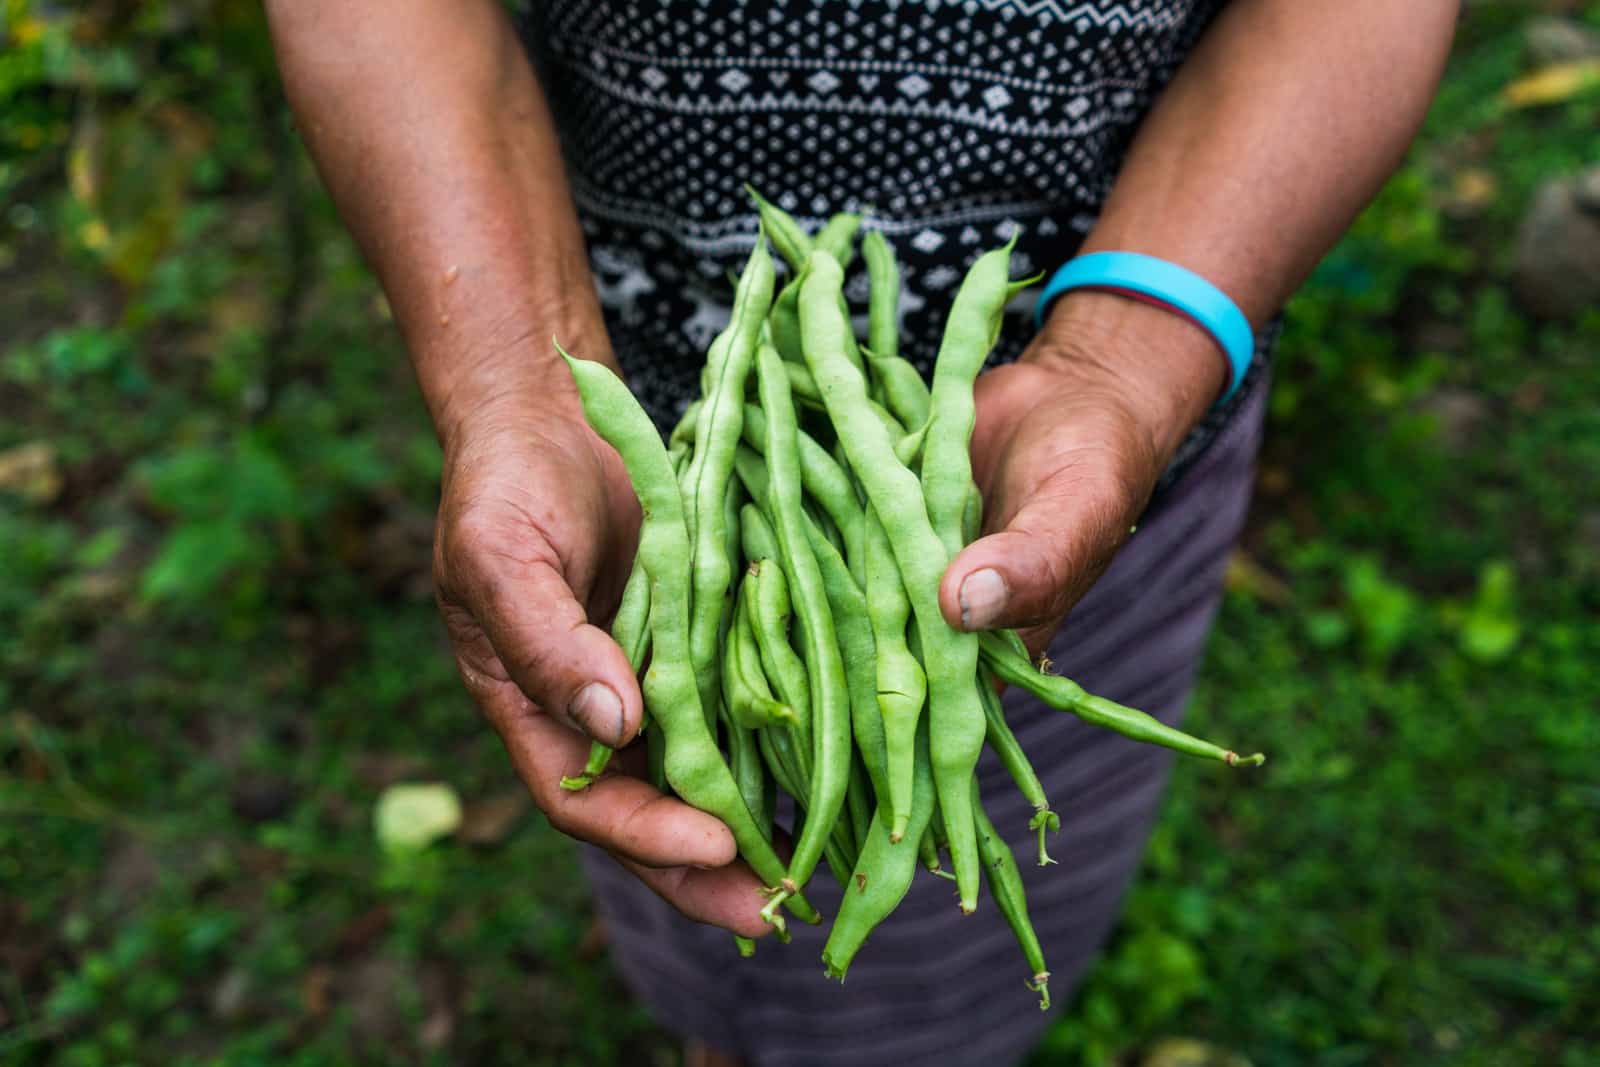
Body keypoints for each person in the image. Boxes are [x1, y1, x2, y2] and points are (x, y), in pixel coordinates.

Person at [265, 2, 1459, 1063]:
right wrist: (518, 374)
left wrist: (1126, 357)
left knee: (950, 880)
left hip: (1096, 474)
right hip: (639, 489)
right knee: (700, 815)